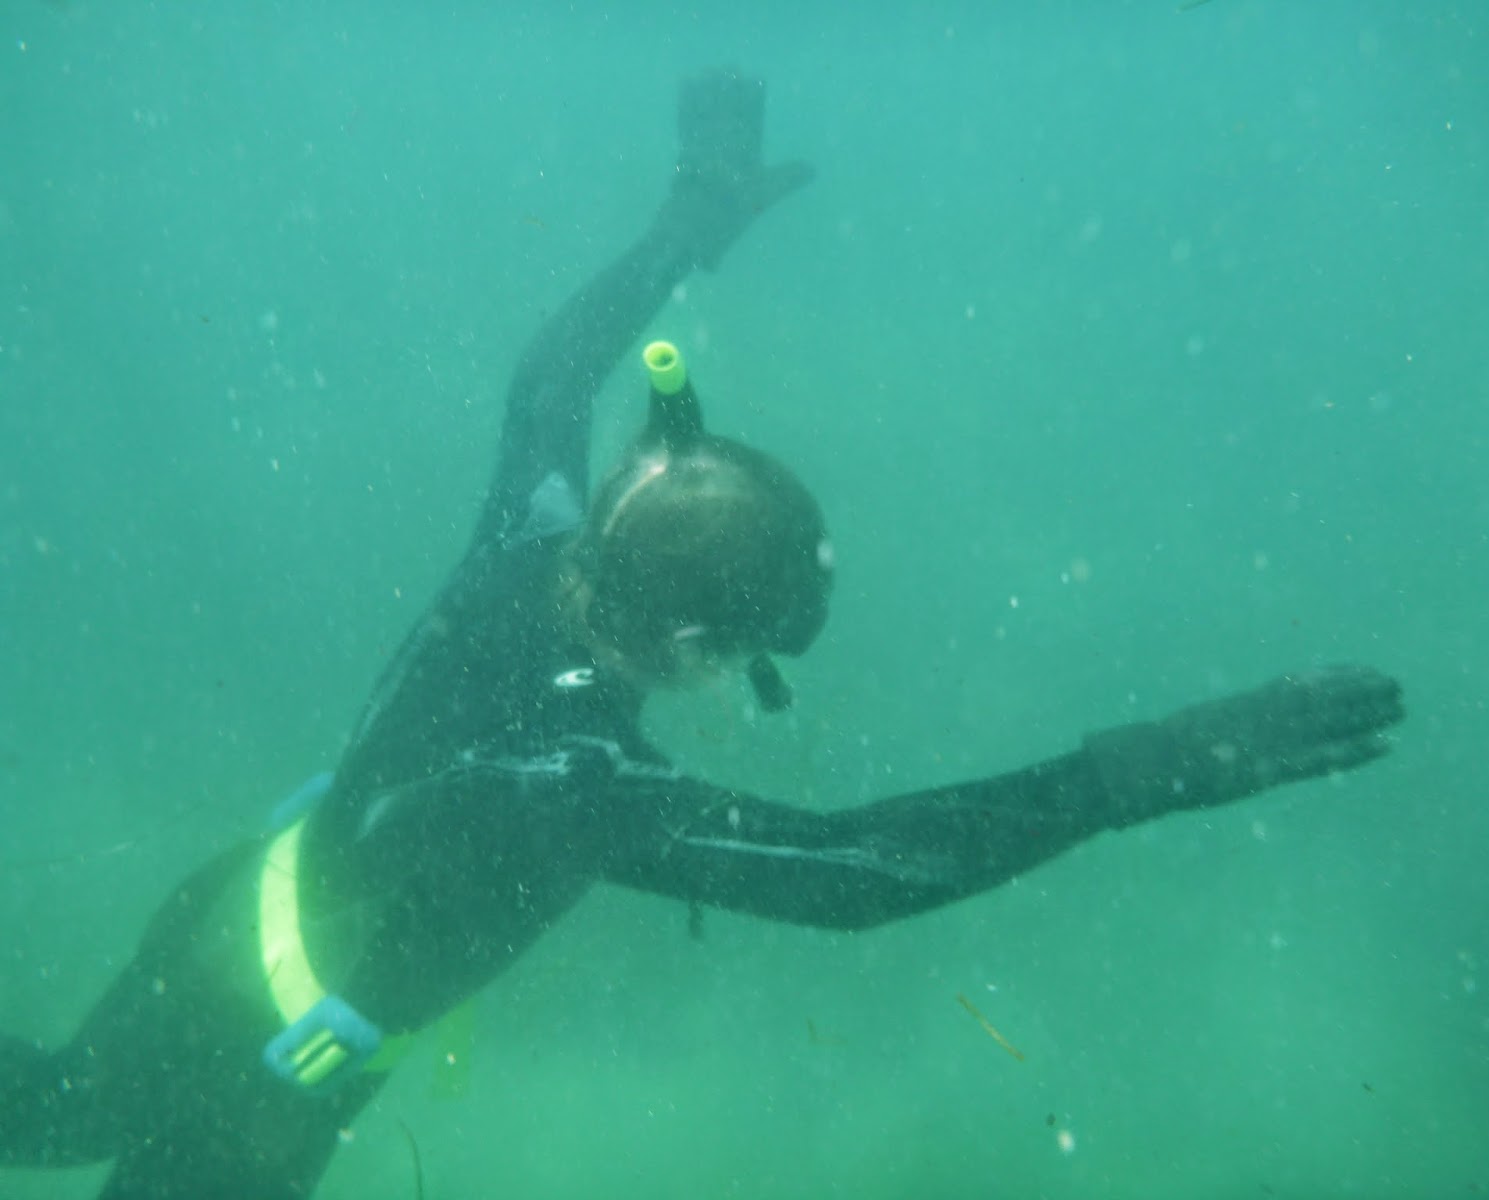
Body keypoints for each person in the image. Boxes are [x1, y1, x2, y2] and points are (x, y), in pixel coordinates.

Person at [0, 69, 1404, 1198]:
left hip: (233, 925)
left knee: (62, 1108)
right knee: (65, 1121)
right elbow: (861, 872)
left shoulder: (533, 527)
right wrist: (1146, 765)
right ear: (693, 650)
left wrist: (687, 222)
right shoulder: (579, 790)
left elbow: (552, 372)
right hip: (255, 1060)